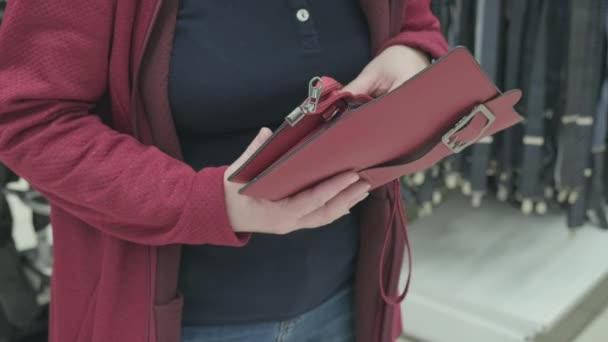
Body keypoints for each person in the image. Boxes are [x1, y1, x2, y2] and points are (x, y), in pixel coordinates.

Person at [0, 0, 448, 341]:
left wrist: (412, 56)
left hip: (351, 301)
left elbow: (413, 23)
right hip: (176, 319)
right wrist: (210, 203)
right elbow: (28, 118)